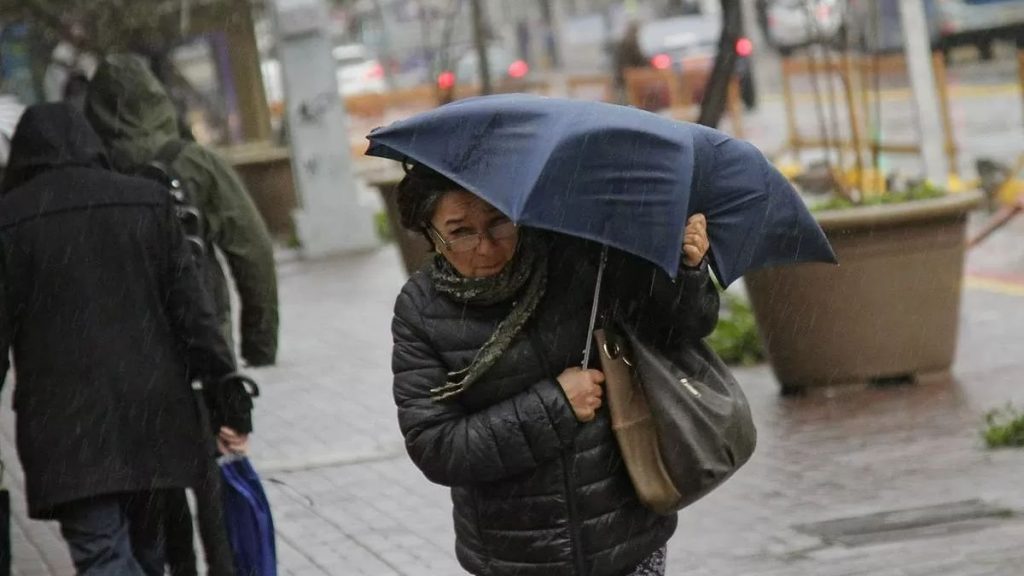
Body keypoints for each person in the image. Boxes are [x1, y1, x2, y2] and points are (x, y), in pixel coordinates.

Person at [390, 163, 719, 576]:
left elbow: (678, 328)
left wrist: (687, 271)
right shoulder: (420, 312)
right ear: (431, 234)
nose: (486, 246)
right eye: (460, 232)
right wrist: (556, 405)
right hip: (515, 558)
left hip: (628, 536)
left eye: (498, 223)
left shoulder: (576, 261)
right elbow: (436, 446)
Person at [0, 103, 250, 576]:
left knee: (101, 553)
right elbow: (194, 316)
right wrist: (228, 396)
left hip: (66, 427)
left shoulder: (9, 222)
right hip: (153, 416)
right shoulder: (146, 203)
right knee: (149, 553)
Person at [84, 53, 279, 576]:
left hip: (134, 347)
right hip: (204, 333)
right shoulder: (196, 162)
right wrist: (257, 342)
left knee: (159, 476)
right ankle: (225, 566)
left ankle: (179, 565)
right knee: (215, 468)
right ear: (158, 101)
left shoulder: (94, 172)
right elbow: (252, 250)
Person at [613, 21, 650, 104]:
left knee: (624, 101)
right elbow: (638, 59)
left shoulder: (623, 43)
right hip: (628, 79)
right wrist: (648, 64)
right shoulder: (630, 43)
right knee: (629, 102)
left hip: (622, 79)